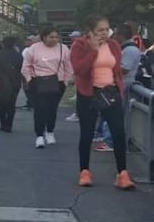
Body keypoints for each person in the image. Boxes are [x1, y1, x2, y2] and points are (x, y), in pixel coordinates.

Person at [69, 16, 134, 189]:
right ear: (90, 31)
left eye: (106, 29)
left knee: (118, 133)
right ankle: (85, 171)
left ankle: (122, 174)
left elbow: (117, 69)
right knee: (87, 134)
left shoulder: (113, 45)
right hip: (89, 94)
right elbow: (79, 70)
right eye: (100, 30)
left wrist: (117, 85)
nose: (104, 33)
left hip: (110, 92)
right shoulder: (80, 45)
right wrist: (93, 50)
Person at [21, 26, 72, 149]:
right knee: (39, 109)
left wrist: (65, 81)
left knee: (52, 109)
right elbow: (26, 66)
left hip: (57, 82)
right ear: (44, 37)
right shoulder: (34, 48)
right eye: (51, 37)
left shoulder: (63, 48)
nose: (54, 39)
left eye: (56, 37)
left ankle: (50, 131)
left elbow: (69, 66)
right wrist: (29, 79)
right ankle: (39, 135)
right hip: (38, 82)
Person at [0, 37, 23, 132]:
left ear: (3, 44)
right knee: (12, 104)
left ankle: (3, 124)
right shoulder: (19, 56)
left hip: (1, 83)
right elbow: (21, 69)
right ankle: (9, 124)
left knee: (2, 105)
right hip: (15, 82)